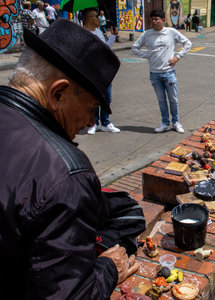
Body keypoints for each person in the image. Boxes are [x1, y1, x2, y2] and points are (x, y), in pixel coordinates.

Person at [0, 19, 139, 299]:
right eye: (91, 108)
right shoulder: (64, 174)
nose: (90, 121)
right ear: (58, 93)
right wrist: (110, 268)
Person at [131, 9, 192, 133]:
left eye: (156, 19)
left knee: (173, 99)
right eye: (152, 19)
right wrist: (147, 55)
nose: (153, 21)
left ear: (163, 20)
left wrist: (177, 57)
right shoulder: (147, 34)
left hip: (169, 73)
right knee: (161, 100)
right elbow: (134, 48)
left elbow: (188, 43)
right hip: (154, 74)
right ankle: (165, 123)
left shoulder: (171, 32)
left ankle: (176, 122)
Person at [83, 7, 120, 134]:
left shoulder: (98, 31)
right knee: (94, 99)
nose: (98, 18)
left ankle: (106, 123)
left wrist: (113, 37)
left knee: (107, 98)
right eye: (95, 16)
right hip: (91, 72)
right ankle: (93, 123)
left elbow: (106, 48)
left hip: (103, 71)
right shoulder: (82, 33)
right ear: (88, 18)